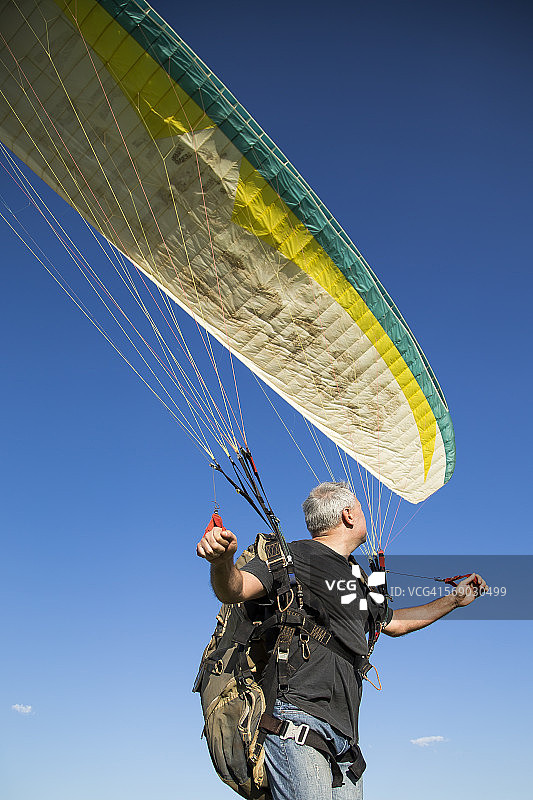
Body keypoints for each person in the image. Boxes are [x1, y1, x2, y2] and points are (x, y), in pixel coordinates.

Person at [196, 481, 486, 800]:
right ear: (348, 515)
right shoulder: (290, 556)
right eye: (362, 510)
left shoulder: (359, 579)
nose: (366, 517)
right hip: (296, 716)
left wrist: (453, 600)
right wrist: (221, 562)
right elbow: (235, 589)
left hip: (346, 739)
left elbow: (394, 623)